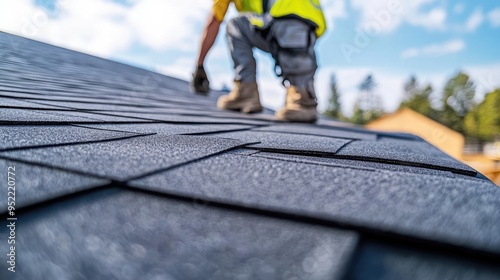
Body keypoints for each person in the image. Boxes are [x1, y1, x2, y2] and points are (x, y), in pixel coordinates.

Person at [192, 0, 326, 123]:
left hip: (285, 21)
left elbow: (214, 20)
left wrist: (199, 65)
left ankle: (247, 92)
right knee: (296, 49)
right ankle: (302, 97)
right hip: (308, 27)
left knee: (235, 25)